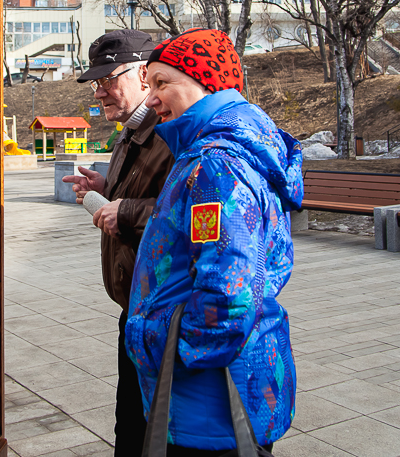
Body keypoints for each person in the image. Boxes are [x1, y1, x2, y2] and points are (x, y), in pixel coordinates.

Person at [125, 28, 303, 456]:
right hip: (218, 390)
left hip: (209, 397)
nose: (149, 100)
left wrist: (167, 344)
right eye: (148, 85)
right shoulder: (219, 151)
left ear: (208, 84)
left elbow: (231, 292)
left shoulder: (217, 164)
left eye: (162, 83)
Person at [62, 29, 175, 457]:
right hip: (137, 306)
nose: (101, 91)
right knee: (130, 423)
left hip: (162, 312)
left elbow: (190, 214)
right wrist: (107, 186)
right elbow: (153, 193)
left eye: (110, 78)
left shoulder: (169, 131)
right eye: (96, 82)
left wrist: (123, 211)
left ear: (145, 74)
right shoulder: (131, 129)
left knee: (144, 428)